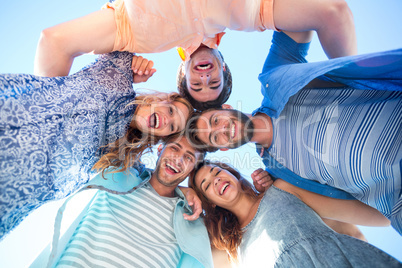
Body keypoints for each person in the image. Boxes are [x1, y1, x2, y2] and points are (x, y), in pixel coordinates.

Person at [187, 31, 402, 234]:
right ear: (224, 147)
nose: (222, 129)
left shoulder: (276, 77)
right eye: (215, 137)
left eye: (215, 120)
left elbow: (295, 16)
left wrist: (201, 34)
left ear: (227, 108)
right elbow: (375, 216)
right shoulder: (281, 176)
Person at [0, 52, 193, 240]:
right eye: (170, 110)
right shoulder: (117, 78)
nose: (167, 119)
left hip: (11, 198)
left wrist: (184, 190)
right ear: (160, 99)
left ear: (162, 136)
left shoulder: (121, 156)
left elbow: (155, 182)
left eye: (173, 126)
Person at [34, 0, 356, 110]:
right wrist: (356, 93)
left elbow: (53, 43)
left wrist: (53, 121)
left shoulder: (136, 35)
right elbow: (331, 13)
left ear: (182, 75)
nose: (204, 78)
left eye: (197, 85)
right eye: (213, 82)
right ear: (223, 66)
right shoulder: (250, 15)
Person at [190, 161, 402, 267]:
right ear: (211, 203)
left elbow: (353, 217)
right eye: (206, 185)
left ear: (232, 174)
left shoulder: (281, 188)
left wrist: (394, 214)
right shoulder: (232, 250)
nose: (215, 179)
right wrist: (186, 192)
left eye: (216, 172)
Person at [48, 135, 209, 267]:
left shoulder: (191, 220)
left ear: (192, 171)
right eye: (174, 148)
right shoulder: (119, 172)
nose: (178, 159)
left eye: (188, 158)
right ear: (160, 149)